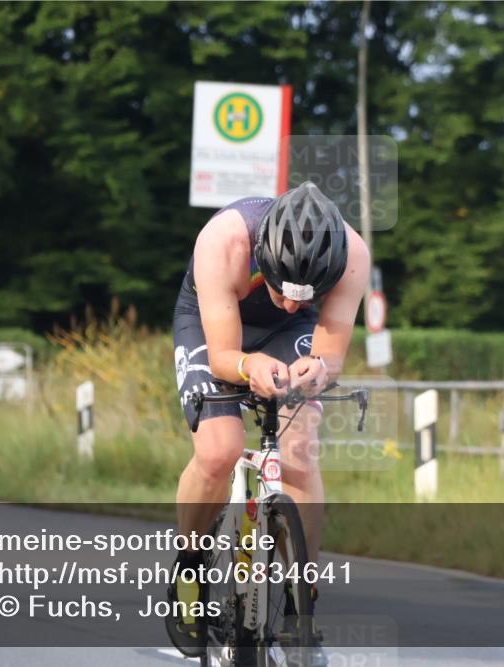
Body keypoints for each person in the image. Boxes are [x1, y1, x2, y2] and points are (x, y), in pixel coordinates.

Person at [168, 182, 370, 663]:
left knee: (299, 448)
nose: (295, 301)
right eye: (284, 288)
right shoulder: (224, 242)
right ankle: (189, 569)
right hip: (213, 321)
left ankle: (303, 602)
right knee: (219, 451)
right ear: (263, 258)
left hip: (287, 337)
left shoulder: (353, 254)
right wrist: (247, 367)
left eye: (310, 294)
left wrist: (320, 369)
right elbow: (222, 357)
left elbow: (331, 352)